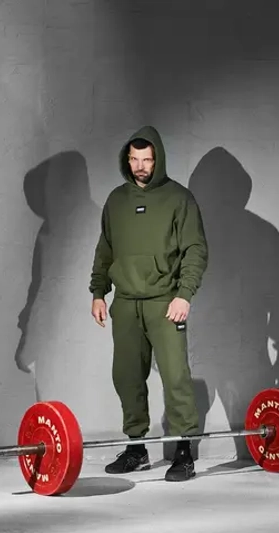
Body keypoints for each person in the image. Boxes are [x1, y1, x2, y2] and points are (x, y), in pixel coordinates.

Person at [89, 126, 208, 482]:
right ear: (127, 160)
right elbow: (105, 250)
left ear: (158, 160)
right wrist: (98, 292)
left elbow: (195, 250)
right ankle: (136, 449)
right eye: (134, 159)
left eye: (147, 160)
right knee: (127, 377)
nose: (140, 166)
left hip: (164, 302)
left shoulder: (179, 198)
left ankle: (183, 452)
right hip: (126, 303)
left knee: (175, 377)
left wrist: (184, 294)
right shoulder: (116, 201)